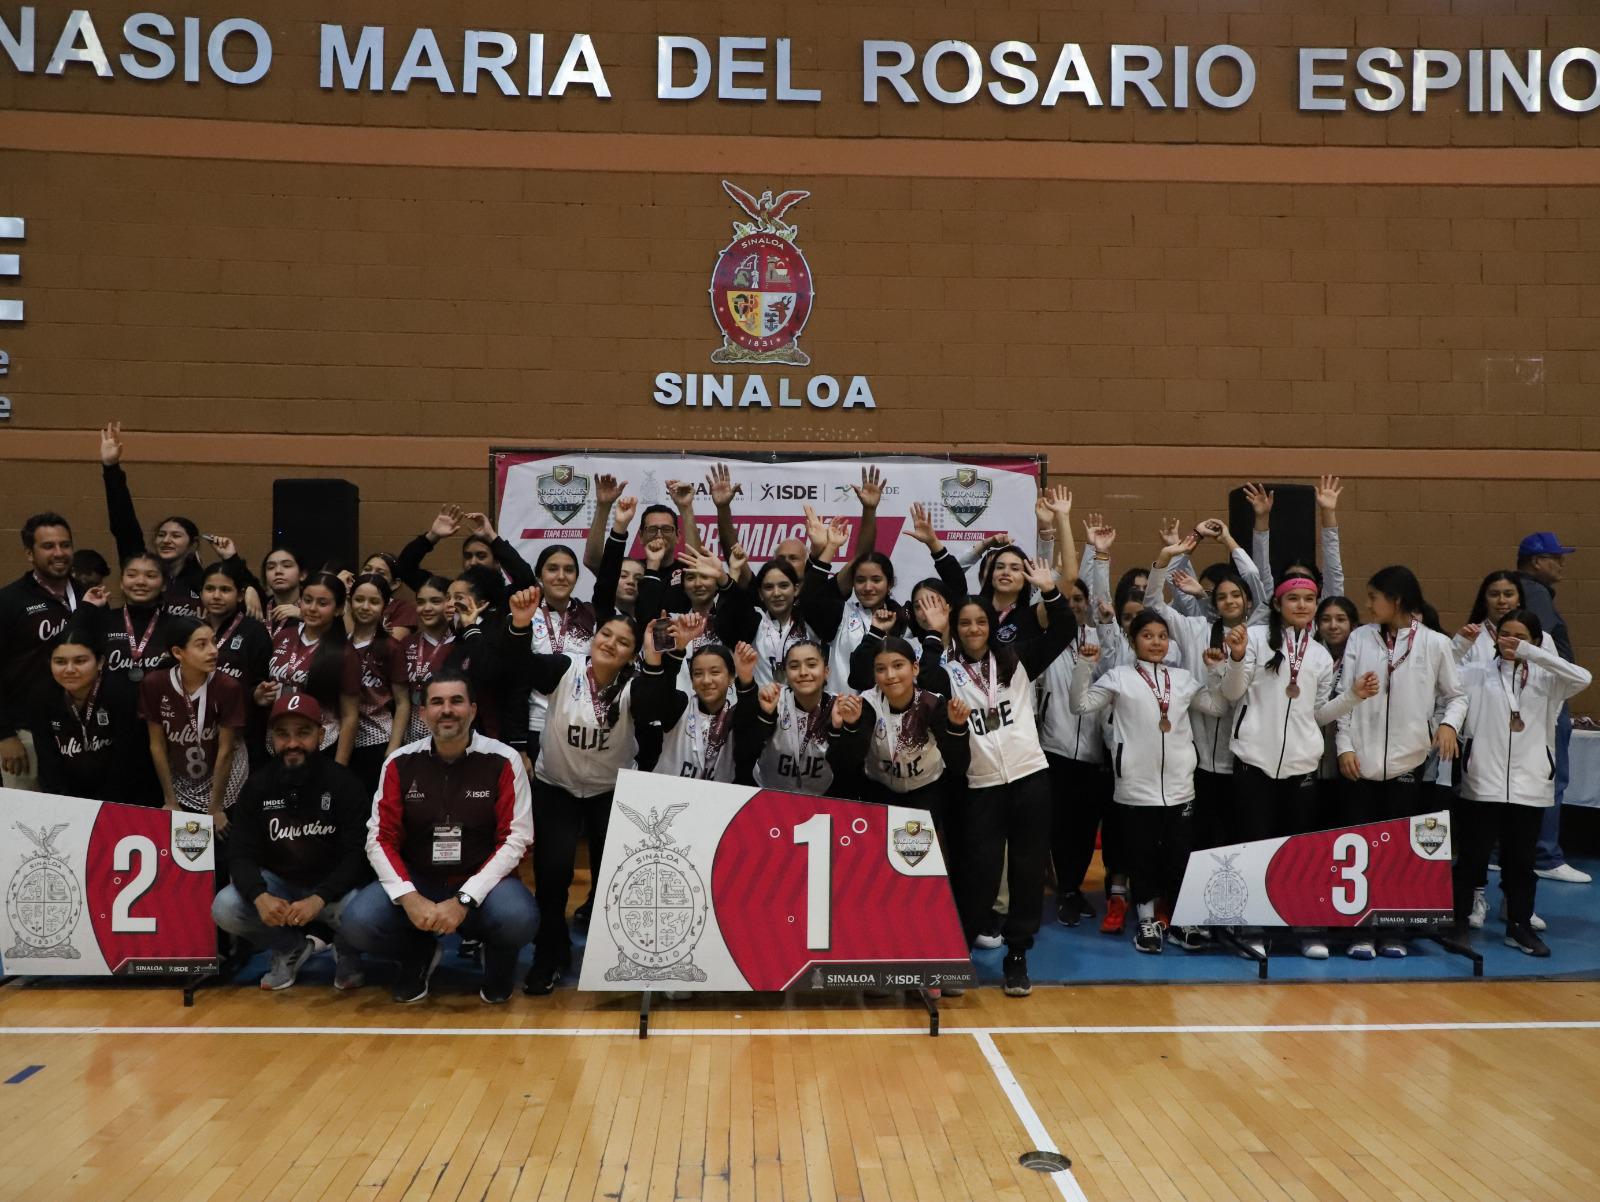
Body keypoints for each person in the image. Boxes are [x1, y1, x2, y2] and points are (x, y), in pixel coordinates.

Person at [920, 556, 1073, 997]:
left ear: (990, 625)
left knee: (1027, 872)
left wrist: (1050, 591)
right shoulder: (947, 671)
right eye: (963, 623)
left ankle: (1017, 955)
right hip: (980, 786)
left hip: (1029, 778)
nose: (972, 629)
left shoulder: (1018, 659)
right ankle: (958, 954)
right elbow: (924, 681)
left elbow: (1062, 631)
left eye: (979, 622)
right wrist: (934, 633)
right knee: (977, 874)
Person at [343, 669, 537, 1004]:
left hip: (484, 883)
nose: (446, 710)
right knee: (358, 922)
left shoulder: (504, 760)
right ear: (423, 713)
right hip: (420, 879)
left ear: (473, 710)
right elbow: (379, 838)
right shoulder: (398, 762)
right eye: (437, 702)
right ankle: (417, 952)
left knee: (519, 918)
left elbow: (517, 839)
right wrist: (409, 897)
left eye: (456, 701)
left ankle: (498, 958)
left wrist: (464, 899)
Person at [1222, 578, 1380, 957]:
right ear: (1278, 604)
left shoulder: (1321, 656)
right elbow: (1231, 694)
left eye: (1309, 599)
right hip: (1253, 762)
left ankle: (1303, 926)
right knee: (1254, 846)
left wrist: (1353, 697)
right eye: (1294, 598)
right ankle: (1252, 928)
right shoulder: (1255, 638)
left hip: (1302, 765)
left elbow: (1319, 714)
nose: (1303, 605)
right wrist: (1238, 656)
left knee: (1299, 851)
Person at [504, 587, 642, 996]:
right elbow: (517, 666)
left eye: (622, 642)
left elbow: (663, 703)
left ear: (631, 655)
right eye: (606, 635)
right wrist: (520, 625)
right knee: (552, 873)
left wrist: (660, 659)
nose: (610, 644)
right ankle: (549, 953)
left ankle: (613, 956)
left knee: (612, 879)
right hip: (557, 786)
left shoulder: (635, 684)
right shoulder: (565, 668)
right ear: (594, 637)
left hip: (611, 791)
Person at [1070, 612, 1230, 955]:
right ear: (1132, 641)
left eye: (1162, 636)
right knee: (1140, 856)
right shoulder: (1118, 677)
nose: (1156, 642)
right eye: (1147, 635)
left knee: (1178, 855)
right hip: (1135, 788)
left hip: (1179, 787)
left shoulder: (1184, 679)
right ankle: (1145, 920)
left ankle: (1179, 920)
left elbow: (1217, 707)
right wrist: (1084, 666)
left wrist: (1216, 672)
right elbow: (1079, 704)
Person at [1443, 610, 1591, 957]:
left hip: (1530, 785)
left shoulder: (1548, 679)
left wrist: (1533, 654)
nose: (1509, 641)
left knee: (1521, 862)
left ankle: (1519, 926)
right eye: (1504, 634)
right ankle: (1459, 922)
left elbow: (1583, 676)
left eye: (1520, 636)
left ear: (1536, 642)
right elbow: (1441, 673)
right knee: (1472, 858)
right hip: (1482, 781)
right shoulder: (1478, 673)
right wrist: (1461, 643)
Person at [1334, 566, 1463, 959]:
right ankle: (1359, 930)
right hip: (1360, 762)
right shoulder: (1360, 637)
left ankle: (1392, 930)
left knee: (1396, 852)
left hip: (1408, 764)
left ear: (1398, 601)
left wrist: (1447, 726)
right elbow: (1345, 696)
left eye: (1375, 597)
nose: (1369, 604)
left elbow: (1456, 696)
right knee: (1358, 850)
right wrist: (1343, 746)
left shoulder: (1436, 644)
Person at [211, 693, 373, 991]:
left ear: (321, 735)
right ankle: (289, 947)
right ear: (272, 737)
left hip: (334, 892)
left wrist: (319, 897)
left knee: (364, 914)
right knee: (226, 906)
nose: (292, 743)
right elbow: (240, 854)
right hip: (282, 887)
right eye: (283, 734)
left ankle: (348, 949)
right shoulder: (258, 785)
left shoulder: (344, 784)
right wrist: (260, 896)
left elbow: (357, 855)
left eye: (303, 733)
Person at [100, 422, 254, 619]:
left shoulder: (203, 581)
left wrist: (244, 580)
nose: (166, 540)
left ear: (193, 544)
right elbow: (124, 525)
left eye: (176, 536)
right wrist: (111, 469)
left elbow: (237, 591)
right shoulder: (142, 567)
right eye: (162, 535)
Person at [1514, 532, 1590, 886]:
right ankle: (1544, 853)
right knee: (1550, 775)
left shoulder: (1530, 591)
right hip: (1545, 699)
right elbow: (1539, 643)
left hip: (1532, 698)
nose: (1561, 563)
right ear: (1535, 561)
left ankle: (1518, 850)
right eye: (1555, 557)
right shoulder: (1535, 592)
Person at [28, 623, 156, 805]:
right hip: (68, 794)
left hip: (121, 794)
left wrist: (107, 803)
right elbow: (47, 756)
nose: (69, 669)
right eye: (60, 662)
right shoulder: (41, 696)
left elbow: (127, 756)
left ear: (101, 662)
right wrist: (60, 800)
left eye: (80, 661)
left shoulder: (122, 693)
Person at [140, 616, 249, 828]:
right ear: (178, 652)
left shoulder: (228, 687)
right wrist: (170, 800)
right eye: (202, 645)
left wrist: (216, 808)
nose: (213, 650)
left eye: (214, 642)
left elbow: (226, 750)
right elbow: (157, 745)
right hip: (181, 777)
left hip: (225, 776)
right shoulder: (154, 684)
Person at [0, 512, 83, 790]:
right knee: (27, 826)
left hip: (81, 731)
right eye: (48, 546)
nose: (59, 553)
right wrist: (4, 735)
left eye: (65, 545)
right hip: (26, 734)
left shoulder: (88, 596)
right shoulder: (9, 601)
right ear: (29, 554)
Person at [636, 615, 762, 782]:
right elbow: (659, 692)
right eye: (698, 674)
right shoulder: (679, 706)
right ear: (692, 682)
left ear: (731, 677)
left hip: (716, 802)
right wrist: (678, 648)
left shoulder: (735, 717)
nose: (706, 680)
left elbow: (750, 717)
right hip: (666, 795)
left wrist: (746, 679)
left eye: (715, 672)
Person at [263, 571, 360, 760]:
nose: (312, 608)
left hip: (321, 746)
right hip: (277, 741)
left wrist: (339, 767)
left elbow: (350, 716)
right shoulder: (283, 636)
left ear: (339, 609)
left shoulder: (345, 653)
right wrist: (261, 694)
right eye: (307, 600)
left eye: (323, 603)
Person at [344, 573, 413, 795]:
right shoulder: (338, 645)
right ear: (350, 601)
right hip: (341, 739)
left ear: (384, 606)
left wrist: (393, 747)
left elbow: (402, 702)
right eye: (359, 599)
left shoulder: (391, 647)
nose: (365, 606)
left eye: (374, 602)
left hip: (376, 740)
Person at [200, 562, 272, 771]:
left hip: (242, 732)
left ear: (240, 595)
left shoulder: (254, 631)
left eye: (225, 590)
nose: (216, 596)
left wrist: (256, 695)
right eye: (210, 589)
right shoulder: (193, 628)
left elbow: (260, 681)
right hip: (199, 728)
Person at [260, 546, 307, 637]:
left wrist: (304, 616)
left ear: (302, 575)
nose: (278, 571)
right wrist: (250, 589)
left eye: (287, 566)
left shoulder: (313, 608)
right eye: (271, 567)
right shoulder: (259, 608)